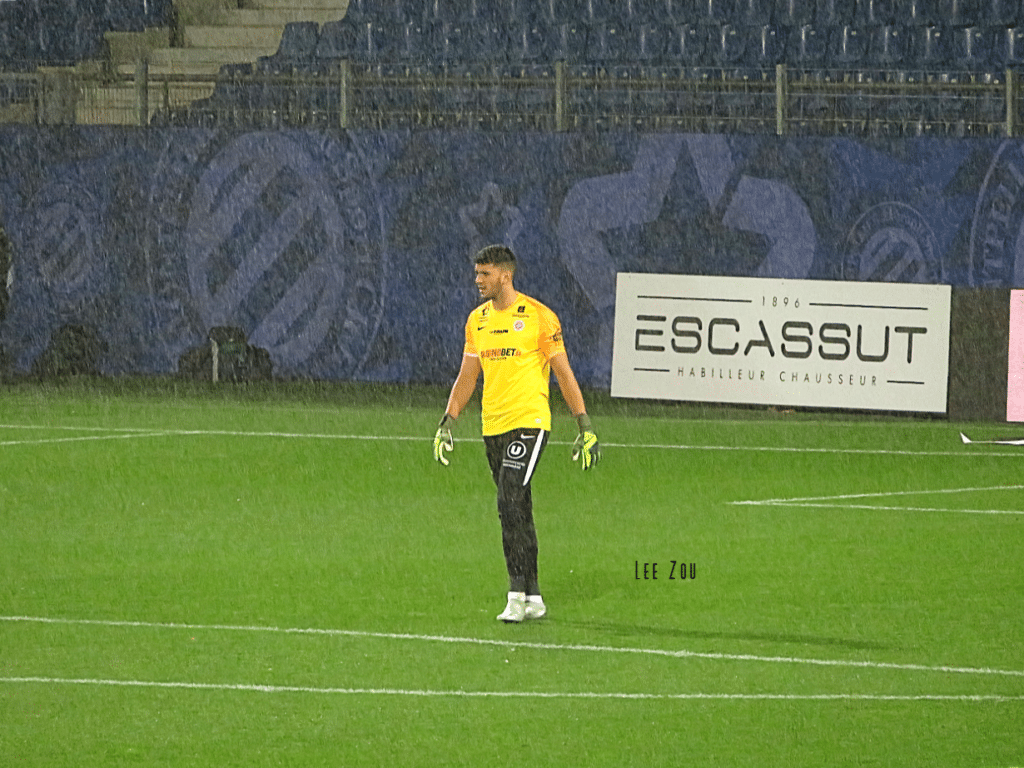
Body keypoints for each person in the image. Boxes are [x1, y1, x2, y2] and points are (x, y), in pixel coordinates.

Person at [433, 244, 600, 623]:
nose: (478, 280)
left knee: (508, 498)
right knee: (518, 508)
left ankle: (515, 594)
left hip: (530, 422)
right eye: (477, 273)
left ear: (505, 275)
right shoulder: (477, 321)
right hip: (492, 426)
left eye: (485, 274)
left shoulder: (539, 317)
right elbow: (467, 376)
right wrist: (448, 420)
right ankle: (534, 595)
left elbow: (563, 373)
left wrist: (584, 424)